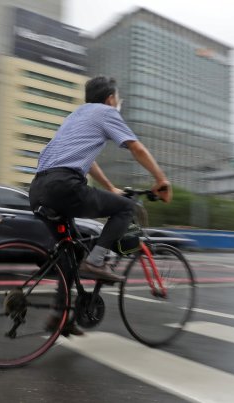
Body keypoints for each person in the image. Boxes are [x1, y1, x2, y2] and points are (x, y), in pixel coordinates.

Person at [29, 76, 172, 335]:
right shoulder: (106, 112)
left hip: (39, 189)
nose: (118, 103)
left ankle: (59, 316)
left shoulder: (75, 117)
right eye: (118, 99)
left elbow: (87, 160)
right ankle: (96, 261)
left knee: (69, 253)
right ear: (110, 99)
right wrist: (161, 179)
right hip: (64, 187)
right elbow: (136, 148)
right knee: (125, 209)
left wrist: (109, 188)